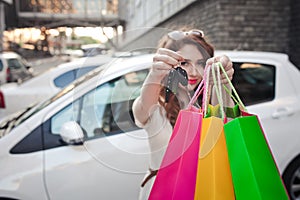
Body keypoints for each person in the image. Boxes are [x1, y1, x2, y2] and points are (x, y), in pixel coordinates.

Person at [132, 27, 234, 199]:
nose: (194, 72)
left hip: (204, 191)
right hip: (162, 192)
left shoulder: (209, 104)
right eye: (184, 63)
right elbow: (143, 107)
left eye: (201, 63)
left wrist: (221, 82)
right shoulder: (156, 104)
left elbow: (228, 124)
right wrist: (154, 75)